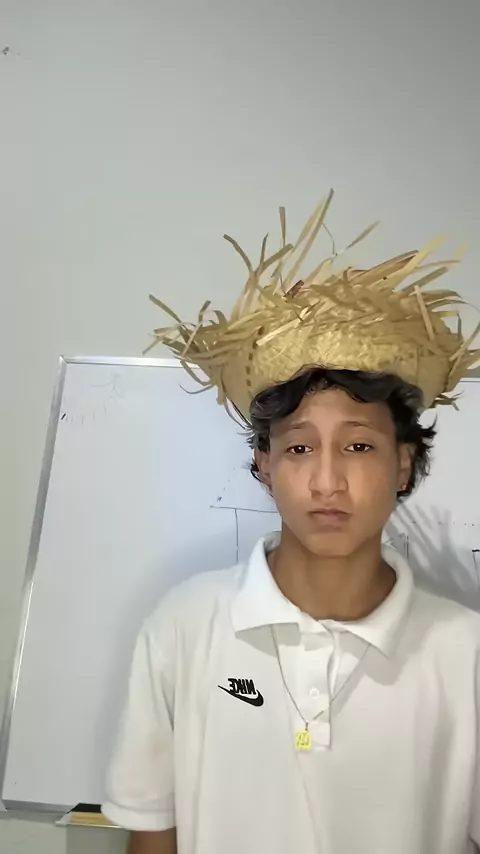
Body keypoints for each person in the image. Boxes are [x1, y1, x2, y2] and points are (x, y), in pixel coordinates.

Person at [101, 193, 480, 853]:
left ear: (402, 463)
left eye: (358, 445)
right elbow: (153, 835)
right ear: (266, 463)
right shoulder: (183, 626)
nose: (327, 481)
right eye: (300, 447)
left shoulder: (465, 652)